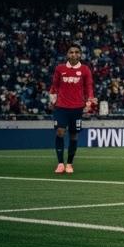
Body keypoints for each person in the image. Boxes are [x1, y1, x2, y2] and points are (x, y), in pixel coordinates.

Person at [49, 44, 95, 174]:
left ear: (80, 54)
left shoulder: (85, 69)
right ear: (67, 54)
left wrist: (89, 101)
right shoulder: (60, 68)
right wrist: (52, 99)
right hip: (61, 107)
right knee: (60, 132)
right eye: (71, 52)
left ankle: (69, 163)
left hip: (77, 107)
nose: (74, 54)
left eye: (76, 52)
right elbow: (54, 85)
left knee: (74, 135)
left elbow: (89, 87)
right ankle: (60, 164)